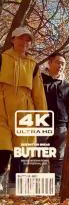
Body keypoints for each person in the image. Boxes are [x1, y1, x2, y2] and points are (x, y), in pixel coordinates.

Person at [0, 27, 47, 195]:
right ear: (12, 39)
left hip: (25, 111)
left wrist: (42, 116)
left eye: (28, 40)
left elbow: (38, 93)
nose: (24, 42)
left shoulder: (33, 64)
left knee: (21, 151)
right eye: (21, 38)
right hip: (2, 110)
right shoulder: (2, 58)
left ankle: (14, 188)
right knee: (3, 149)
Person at [41, 52, 69, 191]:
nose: (60, 66)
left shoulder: (66, 85)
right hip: (41, 123)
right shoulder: (39, 79)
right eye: (58, 62)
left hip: (61, 125)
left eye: (63, 64)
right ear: (50, 62)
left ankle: (55, 186)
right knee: (39, 155)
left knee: (58, 157)